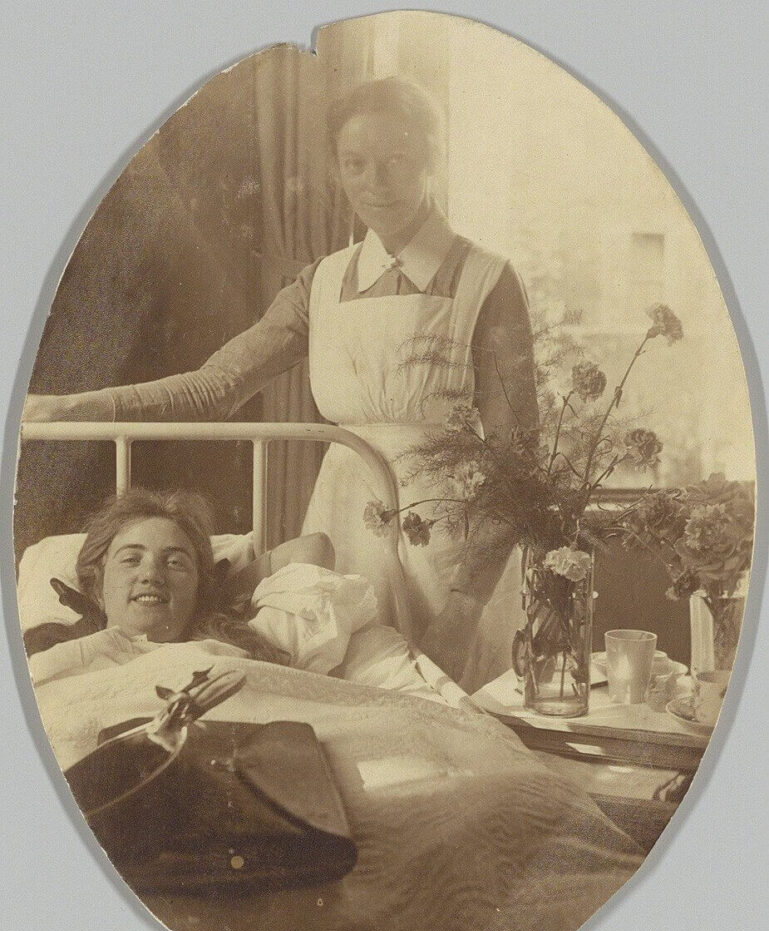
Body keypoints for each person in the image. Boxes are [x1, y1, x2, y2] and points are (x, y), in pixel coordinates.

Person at [23, 77, 538, 686]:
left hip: (455, 544)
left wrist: (465, 606)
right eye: (356, 163)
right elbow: (212, 387)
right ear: (337, 171)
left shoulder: (487, 279)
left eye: (397, 160)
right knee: (350, 692)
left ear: (431, 160)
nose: (375, 182)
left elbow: (517, 462)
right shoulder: (321, 282)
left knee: (454, 701)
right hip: (348, 514)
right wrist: (66, 408)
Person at [24, 488, 334, 663]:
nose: (151, 575)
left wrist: (208, 598)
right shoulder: (50, 653)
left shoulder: (236, 649)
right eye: (131, 559)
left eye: (174, 563)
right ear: (97, 584)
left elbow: (314, 547)